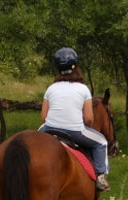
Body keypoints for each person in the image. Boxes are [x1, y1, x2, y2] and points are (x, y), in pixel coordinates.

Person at [39, 47, 110, 191]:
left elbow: (44, 117)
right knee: (101, 142)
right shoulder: (83, 89)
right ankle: (101, 177)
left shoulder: (51, 88)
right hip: (74, 131)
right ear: (76, 67)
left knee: (35, 139)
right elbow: (89, 119)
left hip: (48, 128)